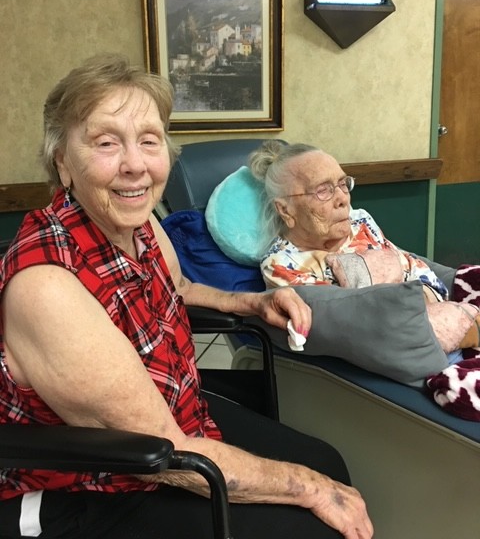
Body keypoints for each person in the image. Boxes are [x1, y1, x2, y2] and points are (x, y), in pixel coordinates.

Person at [0, 54, 373, 539]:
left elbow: (177, 287)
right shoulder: (45, 286)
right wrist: (311, 490)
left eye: (149, 140)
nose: (135, 165)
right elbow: (160, 450)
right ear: (63, 163)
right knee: (312, 521)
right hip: (90, 482)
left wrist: (252, 303)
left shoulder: (139, 224)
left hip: (175, 417)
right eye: (106, 142)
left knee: (326, 461)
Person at [249, 140, 480, 355]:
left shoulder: (360, 222)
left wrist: (426, 298)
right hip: (398, 352)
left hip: (434, 323)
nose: (343, 199)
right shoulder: (281, 264)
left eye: (343, 184)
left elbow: (414, 267)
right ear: (286, 210)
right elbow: (352, 327)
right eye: (323, 190)